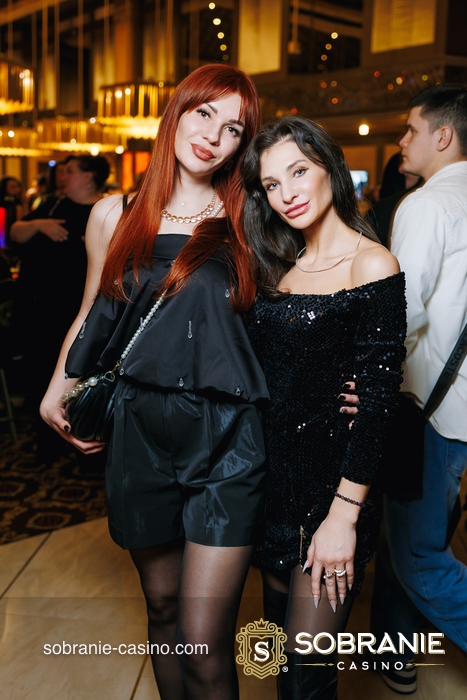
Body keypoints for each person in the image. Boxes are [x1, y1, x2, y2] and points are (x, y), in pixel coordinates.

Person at [39, 64, 269, 700]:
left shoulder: (251, 216)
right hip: (137, 427)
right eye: (204, 113)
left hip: (227, 435)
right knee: (163, 609)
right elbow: (93, 310)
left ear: (241, 145)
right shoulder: (112, 213)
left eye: (233, 128)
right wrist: (58, 386)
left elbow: (297, 313)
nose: (213, 136)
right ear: (177, 112)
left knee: (202, 637)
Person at [241, 115, 407, 700]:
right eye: (271, 184)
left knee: (307, 673)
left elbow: (377, 407)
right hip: (274, 487)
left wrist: (344, 517)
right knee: (277, 659)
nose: (286, 193)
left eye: (298, 172)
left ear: (329, 168)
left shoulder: (372, 263)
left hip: (333, 493)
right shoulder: (280, 266)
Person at [368, 84, 467, 695]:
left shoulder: (427, 204)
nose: (402, 140)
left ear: (443, 136)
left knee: (421, 559)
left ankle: (394, 648)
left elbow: (398, 314)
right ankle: (394, 648)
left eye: (411, 129)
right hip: (458, 411)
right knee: (409, 537)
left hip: (428, 410)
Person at [10, 154, 110, 461]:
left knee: (83, 376)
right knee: (42, 373)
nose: (62, 177)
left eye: (70, 171)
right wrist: (39, 224)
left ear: (89, 177)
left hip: (81, 311)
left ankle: (85, 441)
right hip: (42, 309)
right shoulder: (52, 205)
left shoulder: (105, 212)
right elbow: (14, 233)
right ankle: (46, 443)